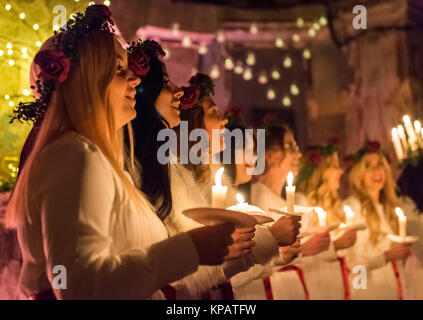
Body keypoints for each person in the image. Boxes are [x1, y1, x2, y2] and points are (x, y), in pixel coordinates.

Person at [5, 5, 234, 300]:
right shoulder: (72, 156)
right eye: (118, 70)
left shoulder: (101, 160)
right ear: (88, 80)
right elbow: (79, 286)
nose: (135, 80)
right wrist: (190, 249)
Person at [344, 140, 417, 299]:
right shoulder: (353, 207)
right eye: (369, 166)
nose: (377, 171)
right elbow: (353, 263)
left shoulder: (392, 208)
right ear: (358, 173)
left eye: (380, 165)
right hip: (369, 292)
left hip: (394, 290)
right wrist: (360, 293)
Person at [296, 140, 357, 299]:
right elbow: (297, 258)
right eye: (334, 166)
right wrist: (335, 245)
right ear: (319, 170)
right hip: (316, 287)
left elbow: (353, 262)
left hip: (337, 284)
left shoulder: (336, 206)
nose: (341, 171)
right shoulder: (301, 203)